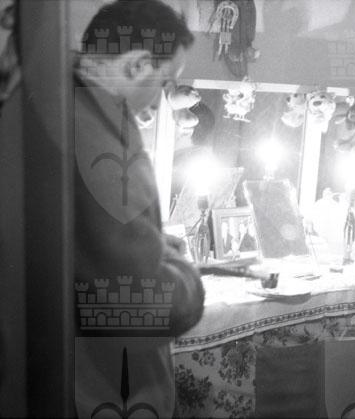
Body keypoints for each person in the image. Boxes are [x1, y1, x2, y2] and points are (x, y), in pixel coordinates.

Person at [73, 1, 204, 417]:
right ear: (137, 65)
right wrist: (186, 275)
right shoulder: (97, 140)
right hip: (104, 390)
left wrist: (152, 244)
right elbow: (141, 305)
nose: (162, 98)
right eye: (165, 81)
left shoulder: (68, 102)